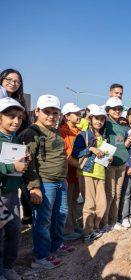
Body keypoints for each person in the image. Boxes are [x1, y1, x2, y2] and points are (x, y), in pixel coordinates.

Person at [20, 95, 75, 269]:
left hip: (60, 182)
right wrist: (34, 187)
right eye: (46, 112)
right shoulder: (31, 133)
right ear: (37, 111)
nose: (51, 116)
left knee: (60, 216)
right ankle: (41, 257)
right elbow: (28, 164)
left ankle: (56, 246)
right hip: (45, 184)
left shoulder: (55, 131)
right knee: (43, 221)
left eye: (54, 112)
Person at [0, 98, 28, 280]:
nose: (16, 121)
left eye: (19, 117)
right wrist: (12, 168)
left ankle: (8, 267)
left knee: (13, 233)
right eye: (11, 116)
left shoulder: (16, 139)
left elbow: (18, 168)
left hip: (12, 195)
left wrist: (24, 164)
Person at [72, 105, 108, 243]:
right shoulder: (84, 135)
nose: (99, 122)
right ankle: (87, 233)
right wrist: (91, 148)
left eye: (102, 119)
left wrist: (108, 158)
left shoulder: (103, 137)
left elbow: (103, 156)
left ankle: (94, 228)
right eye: (97, 119)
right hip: (87, 172)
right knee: (89, 204)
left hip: (100, 173)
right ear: (91, 119)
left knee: (102, 204)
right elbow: (76, 153)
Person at [0, 69, 32, 226]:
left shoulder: (20, 102)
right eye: (9, 79)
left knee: (12, 231)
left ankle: (26, 216)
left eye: (17, 81)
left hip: (12, 189)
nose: (13, 83)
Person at [102, 97, 131, 231]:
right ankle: (105, 222)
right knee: (110, 194)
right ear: (108, 110)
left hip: (122, 163)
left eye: (119, 108)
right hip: (110, 165)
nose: (117, 111)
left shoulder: (122, 126)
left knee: (118, 194)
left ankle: (114, 221)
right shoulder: (105, 124)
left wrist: (129, 142)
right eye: (114, 109)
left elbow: (122, 145)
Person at [58, 103, 83, 241]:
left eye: (79, 113)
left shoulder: (80, 131)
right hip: (68, 173)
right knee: (66, 202)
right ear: (67, 116)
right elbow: (66, 156)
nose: (79, 116)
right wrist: (82, 165)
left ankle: (74, 225)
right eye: (76, 113)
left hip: (77, 173)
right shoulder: (62, 131)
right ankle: (66, 230)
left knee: (74, 200)